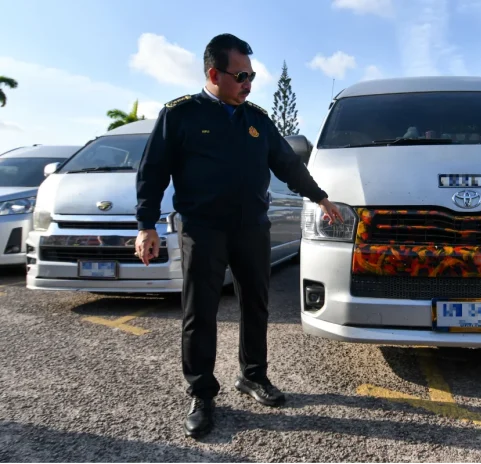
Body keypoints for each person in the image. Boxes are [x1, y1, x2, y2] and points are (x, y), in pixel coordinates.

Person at [133, 33, 343, 439]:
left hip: (251, 228)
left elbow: (287, 164)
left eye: (252, 76)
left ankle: (253, 375)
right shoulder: (180, 115)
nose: (248, 83)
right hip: (203, 229)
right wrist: (146, 225)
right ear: (214, 74)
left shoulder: (257, 120)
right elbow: (153, 171)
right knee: (200, 313)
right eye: (240, 75)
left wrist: (319, 196)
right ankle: (201, 392)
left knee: (256, 305)